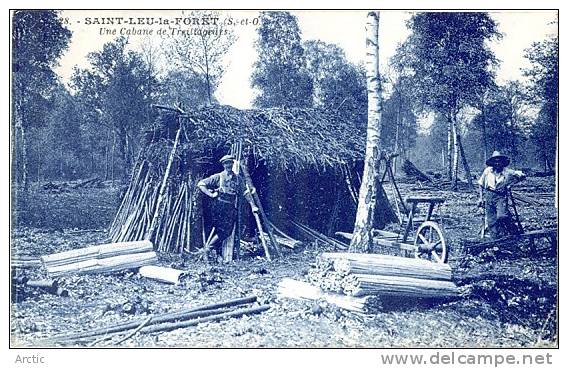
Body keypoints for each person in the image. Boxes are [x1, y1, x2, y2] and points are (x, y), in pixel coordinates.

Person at [197, 154, 256, 261]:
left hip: (230, 207)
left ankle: (210, 251)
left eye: (230, 163)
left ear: (233, 164)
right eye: (226, 163)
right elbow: (201, 184)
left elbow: (246, 193)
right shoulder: (218, 177)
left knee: (226, 232)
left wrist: (253, 206)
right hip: (219, 206)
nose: (228, 165)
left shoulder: (238, 179)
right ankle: (208, 250)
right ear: (223, 165)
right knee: (221, 231)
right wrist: (211, 194)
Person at [477, 151, 526, 238]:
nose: (497, 163)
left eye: (499, 161)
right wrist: (480, 198)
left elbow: (521, 175)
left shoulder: (507, 171)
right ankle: (496, 240)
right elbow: (481, 184)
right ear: (492, 163)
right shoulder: (487, 171)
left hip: (501, 196)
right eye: (495, 161)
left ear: (502, 162)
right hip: (489, 195)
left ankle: (513, 230)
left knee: (502, 216)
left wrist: (511, 183)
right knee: (491, 221)